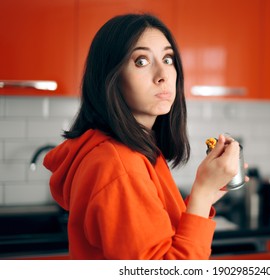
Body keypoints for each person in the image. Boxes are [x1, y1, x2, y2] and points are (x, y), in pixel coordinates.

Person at [43, 13, 241, 260]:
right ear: (110, 77)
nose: (163, 75)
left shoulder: (138, 151)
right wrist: (201, 192)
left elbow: (163, 240)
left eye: (168, 59)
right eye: (141, 61)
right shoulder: (118, 165)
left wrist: (208, 192)